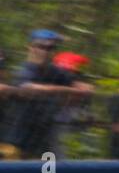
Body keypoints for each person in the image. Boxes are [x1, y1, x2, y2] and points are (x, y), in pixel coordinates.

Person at [6, 30, 92, 159]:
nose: (45, 52)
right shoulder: (24, 71)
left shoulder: (54, 71)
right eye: (41, 47)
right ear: (30, 47)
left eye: (51, 48)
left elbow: (84, 87)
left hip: (45, 142)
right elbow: (31, 89)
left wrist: (80, 89)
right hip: (19, 140)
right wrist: (70, 91)